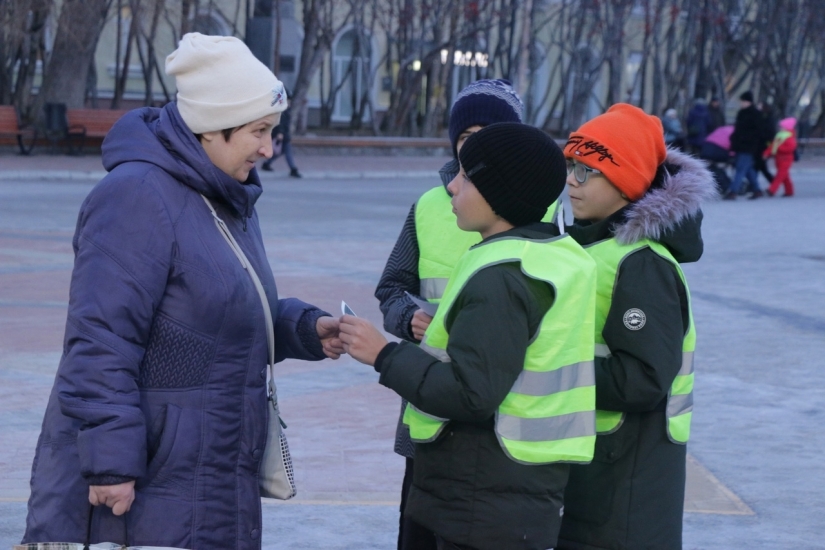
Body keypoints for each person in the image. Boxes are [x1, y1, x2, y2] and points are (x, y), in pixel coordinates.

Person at [21, 33, 343, 549]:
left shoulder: (221, 193)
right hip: (150, 487)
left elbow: (208, 316)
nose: (268, 148)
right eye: (259, 131)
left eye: (272, 131)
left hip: (210, 470)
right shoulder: (136, 196)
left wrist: (303, 328)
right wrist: (109, 467)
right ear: (210, 130)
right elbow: (100, 340)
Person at [343, 122, 598, 550]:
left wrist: (384, 355)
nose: (451, 188)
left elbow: (470, 393)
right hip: (511, 491)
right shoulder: (547, 254)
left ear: (499, 193)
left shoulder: (502, 277)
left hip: (485, 497)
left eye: (465, 176)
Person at [374, 79, 546, 550]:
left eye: (490, 134)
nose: (475, 146)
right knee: (420, 527)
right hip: (430, 399)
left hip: (507, 412)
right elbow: (392, 287)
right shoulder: (430, 206)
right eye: (467, 136)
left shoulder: (548, 208)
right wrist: (406, 317)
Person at [555, 104, 717, 550]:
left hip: (626, 480)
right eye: (570, 165)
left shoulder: (642, 264)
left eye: (588, 170)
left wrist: (542, 362)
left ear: (626, 183)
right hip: (595, 463)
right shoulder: (593, 246)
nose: (572, 179)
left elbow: (643, 379)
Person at [725, 91, 764, 200]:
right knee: (748, 168)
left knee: (740, 168)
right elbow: (738, 129)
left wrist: (746, 139)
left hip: (749, 146)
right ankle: (757, 190)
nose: (741, 103)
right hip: (740, 145)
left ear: (748, 102)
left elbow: (757, 132)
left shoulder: (755, 114)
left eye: (743, 101)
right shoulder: (742, 113)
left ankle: (733, 191)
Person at [261, 91, 301, 177]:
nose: (290, 103)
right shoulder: (282, 110)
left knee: (280, 152)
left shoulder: (285, 109)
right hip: (281, 134)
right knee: (287, 151)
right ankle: (293, 169)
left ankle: (266, 164)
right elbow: (280, 122)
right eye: (288, 101)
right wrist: (280, 132)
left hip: (283, 134)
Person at [765, 117, 798, 197]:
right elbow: (772, 146)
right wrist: (766, 153)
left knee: (780, 175)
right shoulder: (780, 135)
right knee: (785, 176)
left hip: (786, 159)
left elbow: (791, 147)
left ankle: (771, 190)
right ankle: (789, 191)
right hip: (779, 158)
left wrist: (779, 148)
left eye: (782, 127)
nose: (780, 128)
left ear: (787, 128)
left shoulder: (789, 137)